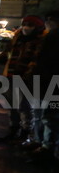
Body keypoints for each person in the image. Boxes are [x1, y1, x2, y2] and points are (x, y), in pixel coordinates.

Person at [0, 15, 46, 145]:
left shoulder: (40, 41)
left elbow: (37, 60)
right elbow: (9, 52)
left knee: (24, 107)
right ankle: (14, 129)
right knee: (12, 105)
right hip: (11, 75)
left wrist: (28, 73)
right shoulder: (17, 37)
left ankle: (25, 132)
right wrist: (3, 58)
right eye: (25, 24)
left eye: (30, 25)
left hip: (26, 78)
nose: (26, 27)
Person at [28, 11, 59, 164]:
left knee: (49, 116)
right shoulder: (51, 35)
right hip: (45, 82)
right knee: (42, 114)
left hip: (50, 83)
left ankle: (48, 149)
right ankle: (42, 144)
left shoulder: (53, 36)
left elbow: (47, 61)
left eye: (50, 20)